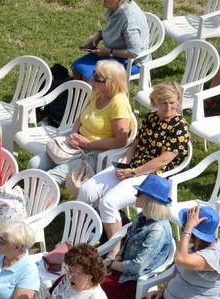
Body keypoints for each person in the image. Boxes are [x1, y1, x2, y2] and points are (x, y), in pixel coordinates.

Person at [78, 81, 188, 245]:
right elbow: (136, 145)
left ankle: (115, 250)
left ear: (178, 101)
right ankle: (80, 236)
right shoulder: (151, 117)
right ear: (155, 102)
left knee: (108, 203)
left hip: (152, 176)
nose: (168, 107)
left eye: (172, 103)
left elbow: (163, 160)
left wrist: (134, 172)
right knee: (86, 191)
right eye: (163, 103)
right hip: (132, 167)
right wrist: (124, 163)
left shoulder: (179, 126)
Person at [27, 60, 132, 187]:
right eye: (93, 74)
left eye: (97, 78)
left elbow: (121, 141)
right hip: (77, 146)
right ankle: (31, 197)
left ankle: (34, 202)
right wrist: (72, 134)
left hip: (95, 154)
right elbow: (82, 117)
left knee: (49, 180)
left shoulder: (118, 104)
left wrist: (88, 144)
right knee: (34, 164)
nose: (90, 80)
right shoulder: (97, 93)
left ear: (111, 83)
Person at [100, 174, 174, 299]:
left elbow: (136, 267)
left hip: (131, 280)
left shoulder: (157, 230)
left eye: (139, 193)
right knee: (81, 277)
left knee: (88, 288)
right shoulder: (142, 217)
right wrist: (112, 264)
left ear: (148, 199)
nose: (135, 195)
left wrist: (109, 264)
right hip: (120, 269)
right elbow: (125, 244)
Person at [71, 0, 149, 81]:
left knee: (89, 77)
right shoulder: (114, 8)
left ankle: (95, 93)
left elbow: (134, 52)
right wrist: (97, 37)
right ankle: (79, 93)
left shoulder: (130, 20)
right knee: (77, 67)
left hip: (132, 62)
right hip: (113, 54)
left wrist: (109, 52)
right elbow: (111, 28)